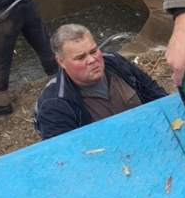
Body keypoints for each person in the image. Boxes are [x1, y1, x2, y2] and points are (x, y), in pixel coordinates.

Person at [34, 24, 167, 140]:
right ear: (61, 61)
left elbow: (155, 93)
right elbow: (65, 155)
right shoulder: (53, 104)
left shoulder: (115, 63)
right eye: (80, 58)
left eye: (94, 51)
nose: (92, 60)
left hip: (148, 134)